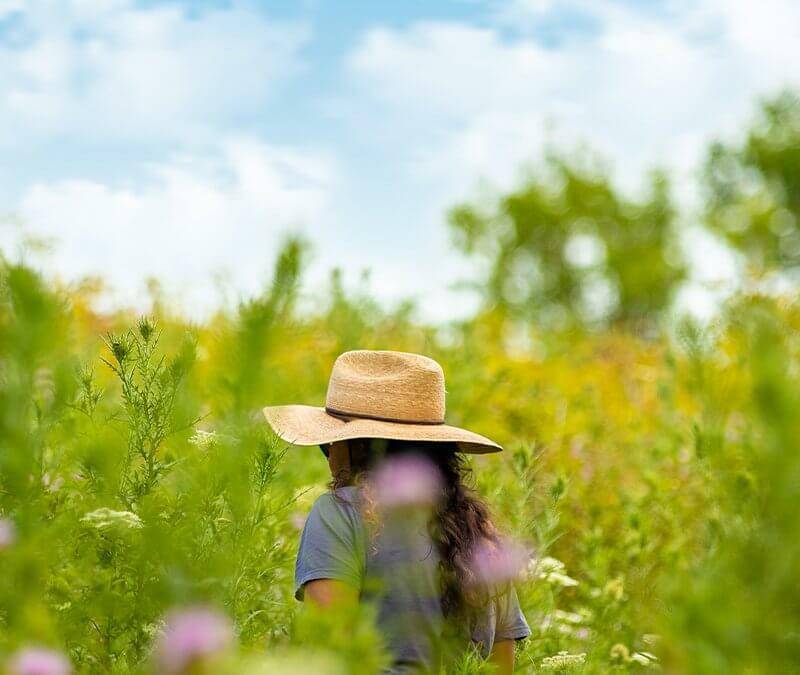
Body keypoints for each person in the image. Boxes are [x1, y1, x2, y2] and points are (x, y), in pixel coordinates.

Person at [263, 350, 531, 674]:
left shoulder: (339, 512)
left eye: (330, 445)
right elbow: (502, 667)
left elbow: (330, 649)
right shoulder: (478, 532)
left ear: (360, 447)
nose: (329, 458)